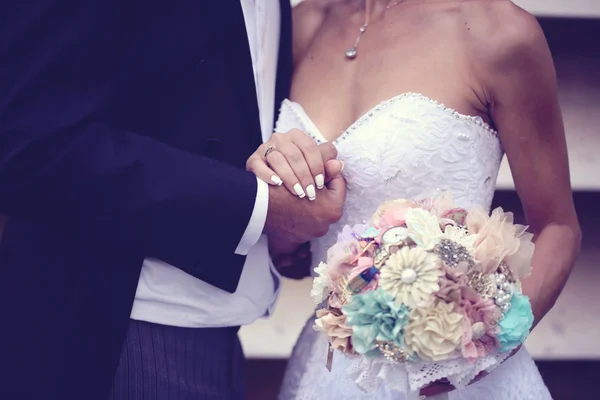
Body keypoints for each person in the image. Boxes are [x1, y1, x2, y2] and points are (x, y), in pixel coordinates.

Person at [0, 1, 346, 399]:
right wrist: (257, 208)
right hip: (110, 331)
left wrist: (289, 231)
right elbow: (25, 141)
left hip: (225, 336)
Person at [246, 0, 582, 399]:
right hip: (330, 369)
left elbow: (558, 228)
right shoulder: (301, 24)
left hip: (453, 371)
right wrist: (277, 188)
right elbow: (296, 257)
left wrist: (472, 357)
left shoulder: (498, 30)